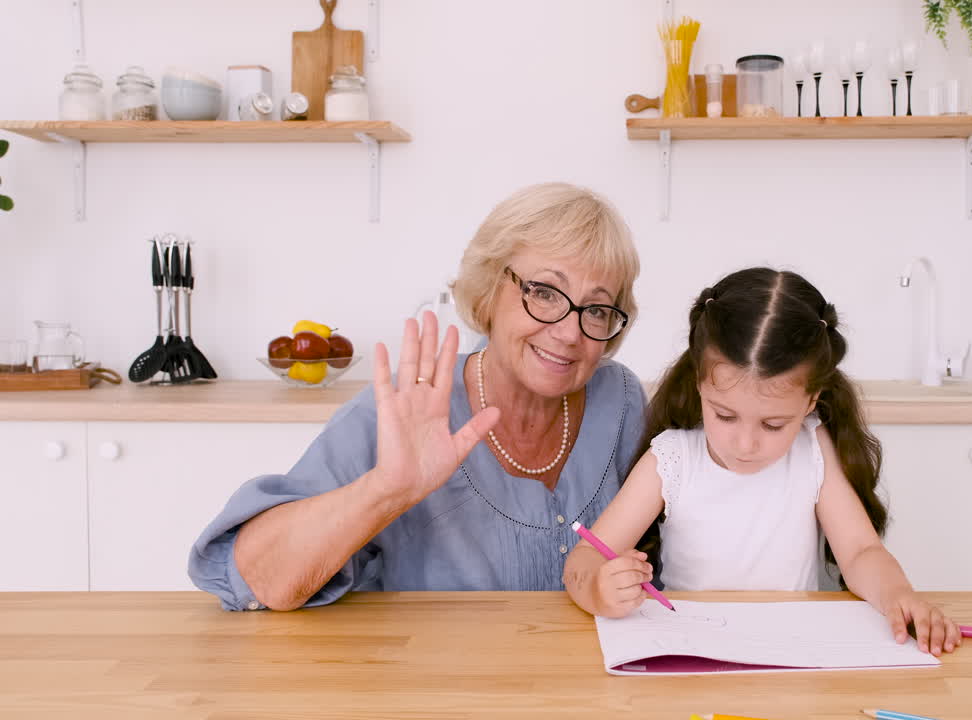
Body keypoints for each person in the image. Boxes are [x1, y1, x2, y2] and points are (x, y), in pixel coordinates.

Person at [189, 183, 645, 611]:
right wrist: (387, 489)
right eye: (544, 293)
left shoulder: (619, 400)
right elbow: (259, 581)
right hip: (434, 689)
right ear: (488, 290)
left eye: (598, 309)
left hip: (587, 688)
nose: (569, 333)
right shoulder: (412, 404)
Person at [562, 267, 962, 656]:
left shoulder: (812, 450)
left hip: (789, 653)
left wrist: (898, 595)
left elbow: (860, 552)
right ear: (700, 383)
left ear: (810, 401)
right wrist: (598, 588)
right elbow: (586, 557)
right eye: (725, 415)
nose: (746, 443)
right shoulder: (673, 458)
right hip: (691, 652)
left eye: (773, 424)